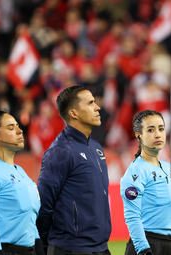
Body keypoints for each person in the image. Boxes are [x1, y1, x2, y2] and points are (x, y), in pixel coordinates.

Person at [36, 86, 111, 254]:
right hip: (70, 249)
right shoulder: (60, 151)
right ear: (73, 113)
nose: (97, 107)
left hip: (101, 248)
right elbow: (44, 204)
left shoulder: (96, 146)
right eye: (90, 103)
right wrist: (47, 246)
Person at [120, 110, 171, 255]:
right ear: (138, 136)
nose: (158, 134)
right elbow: (132, 216)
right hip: (148, 245)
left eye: (161, 128)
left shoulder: (168, 168)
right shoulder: (136, 172)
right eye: (150, 130)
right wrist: (143, 249)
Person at [0, 111, 44, 255]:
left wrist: (39, 250)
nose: (19, 130)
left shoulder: (20, 171)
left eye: (18, 126)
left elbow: (30, 220)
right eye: (10, 128)